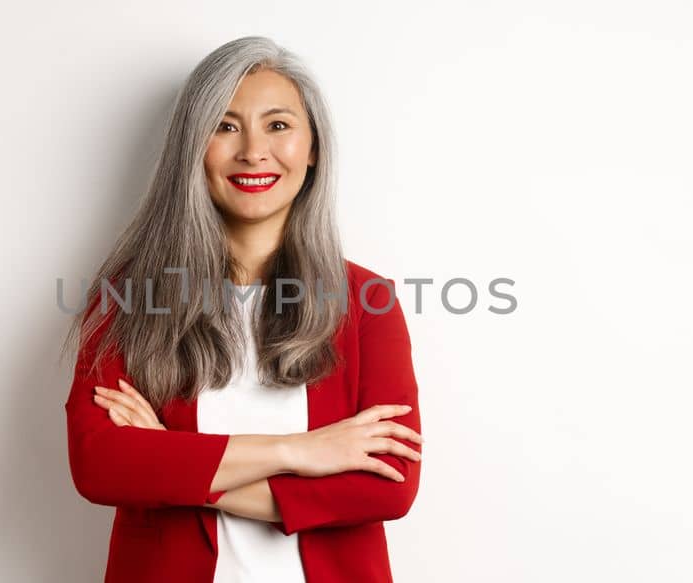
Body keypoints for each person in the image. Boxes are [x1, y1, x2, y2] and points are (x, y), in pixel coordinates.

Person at [62, 35, 424, 583]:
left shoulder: (368, 303)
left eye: (278, 126)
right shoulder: (125, 297)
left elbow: (388, 483)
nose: (253, 151)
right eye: (225, 126)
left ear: (313, 147)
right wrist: (302, 452)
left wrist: (168, 461)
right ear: (193, 148)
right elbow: (101, 466)